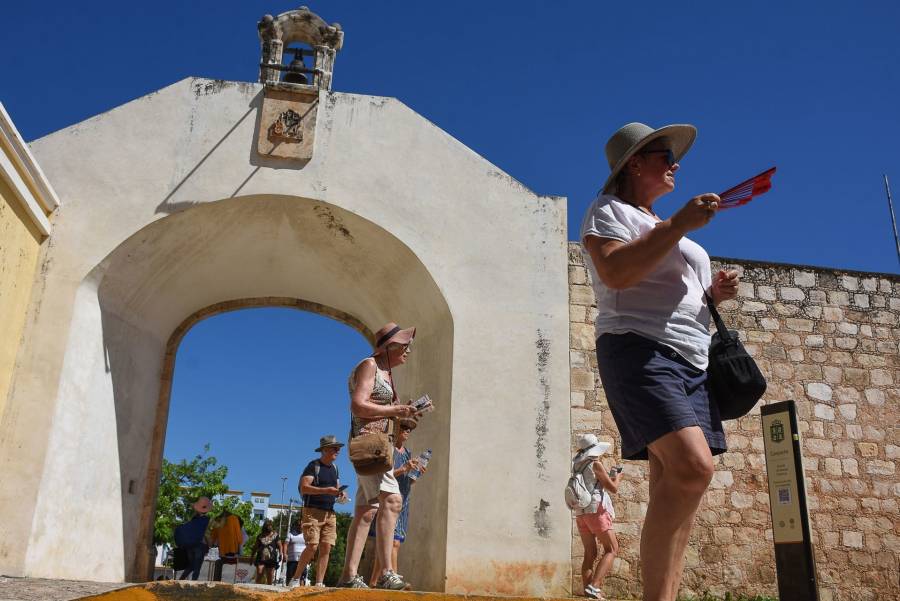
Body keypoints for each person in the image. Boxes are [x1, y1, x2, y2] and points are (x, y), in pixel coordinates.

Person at [580, 122, 740, 601]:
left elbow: (672, 289)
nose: (676, 164)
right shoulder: (608, 211)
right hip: (639, 348)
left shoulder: (668, 229)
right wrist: (679, 226)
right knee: (693, 470)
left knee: (677, 488)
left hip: (692, 359)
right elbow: (616, 272)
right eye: (664, 155)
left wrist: (711, 294)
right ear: (634, 163)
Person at [339, 322, 420, 590]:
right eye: (405, 346)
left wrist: (404, 412)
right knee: (393, 500)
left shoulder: (385, 372)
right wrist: (394, 410)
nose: (408, 351)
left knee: (366, 510)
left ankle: (349, 576)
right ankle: (386, 572)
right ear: (391, 347)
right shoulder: (370, 365)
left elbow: (379, 409)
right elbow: (358, 404)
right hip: (369, 444)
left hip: (378, 444)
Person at [367, 418, 423, 587]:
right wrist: (404, 469)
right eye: (404, 427)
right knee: (393, 542)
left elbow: (407, 481)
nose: (407, 431)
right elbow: (385, 475)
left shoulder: (407, 453)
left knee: (388, 544)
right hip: (388, 499)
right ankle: (393, 580)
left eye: (409, 429)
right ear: (396, 429)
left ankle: (375, 582)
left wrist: (416, 475)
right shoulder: (389, 449)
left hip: (403, 500)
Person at [289, 435, 348, 588]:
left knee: (327, 546)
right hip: (312, 512)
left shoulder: (335, 468)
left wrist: (340, 494)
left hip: (330, 513)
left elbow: (335, 489)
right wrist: (326, 490)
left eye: (339, 448)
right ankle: (295, 578)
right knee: (312, 546)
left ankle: (319, 582)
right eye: (335, 448)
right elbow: (304, 487)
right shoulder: (313, 466)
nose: (338, 451)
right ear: (324, 450)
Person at [572, 434, 622, 600]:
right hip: (596, 511)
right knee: (612, 549)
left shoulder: (577, 465)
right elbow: (613, 488)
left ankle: (589, 592)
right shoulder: (595, 464)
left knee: (590, 553)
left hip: (581, 513)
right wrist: (619, 477)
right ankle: (595, 586)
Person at [175, 497, 211, 581]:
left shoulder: (193, 520)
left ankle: (180, 580)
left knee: (191, 565)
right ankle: (193, 583)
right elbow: (207, 534)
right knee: (197, 567)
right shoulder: (207, 520)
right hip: (200, 546)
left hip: (190, 546)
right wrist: (210, 544)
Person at [252, 520, 280, 584]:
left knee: (270, 576)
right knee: (259, 572)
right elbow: (255, 547)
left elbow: (280, 545)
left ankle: (269, 591)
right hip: (261, 558)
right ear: (265, 527)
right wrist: (252, 557)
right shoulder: (260, 536)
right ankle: (256, 589)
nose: (270, 527)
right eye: (268, 526)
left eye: (271, 526)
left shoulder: (275, 535)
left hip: (271, 558)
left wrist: (281, 553)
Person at [283, 522, 309, 587]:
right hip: (292, 560)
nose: (301, 526)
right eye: (299, 525)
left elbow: (309, 546)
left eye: (302, 525)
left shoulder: (306, 535)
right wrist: (285, 554)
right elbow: (285, 544)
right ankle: (287, 591)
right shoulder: (290, 534)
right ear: (297, 526)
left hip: (303, 560)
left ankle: (301, 592)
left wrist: (310, 557)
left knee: (302, 577)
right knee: (290, 576)